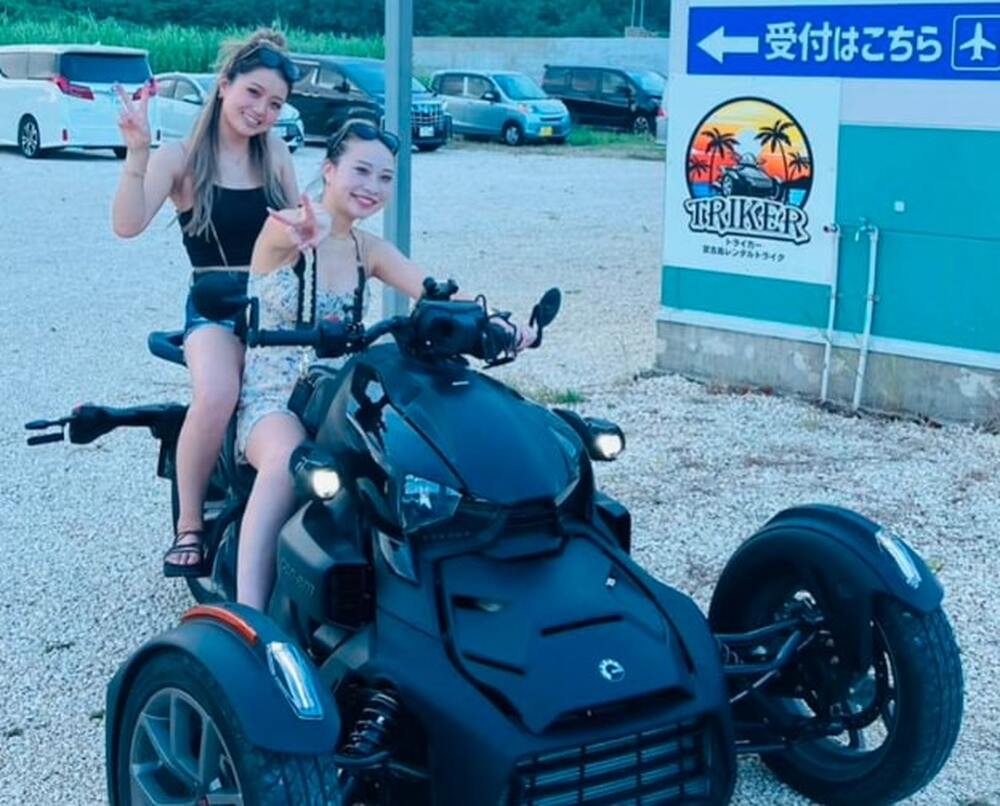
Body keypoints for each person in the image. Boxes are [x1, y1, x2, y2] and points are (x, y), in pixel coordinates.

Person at [236, 119, 534, 609]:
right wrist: (307, 229)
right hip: (277, 396)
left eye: (385, 177)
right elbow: (290, 234)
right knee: (286, 461)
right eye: (361, 171)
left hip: (339, 393)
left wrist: (501, 323)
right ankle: (246, 617)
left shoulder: (367, 249)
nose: (372, 186)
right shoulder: (285, 226)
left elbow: (436, 292)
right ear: (329, 170)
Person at [111, 30, 300, 576]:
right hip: (215, 307)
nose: (261, 110)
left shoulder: (276, 153)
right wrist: (137, 153)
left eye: (275, 103)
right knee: (218, 393)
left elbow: (301, 232)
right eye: (253, 93)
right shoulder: (181, 158)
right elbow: (127, 224)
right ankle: (190, 524)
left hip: (277, 305)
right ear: (224, 85)